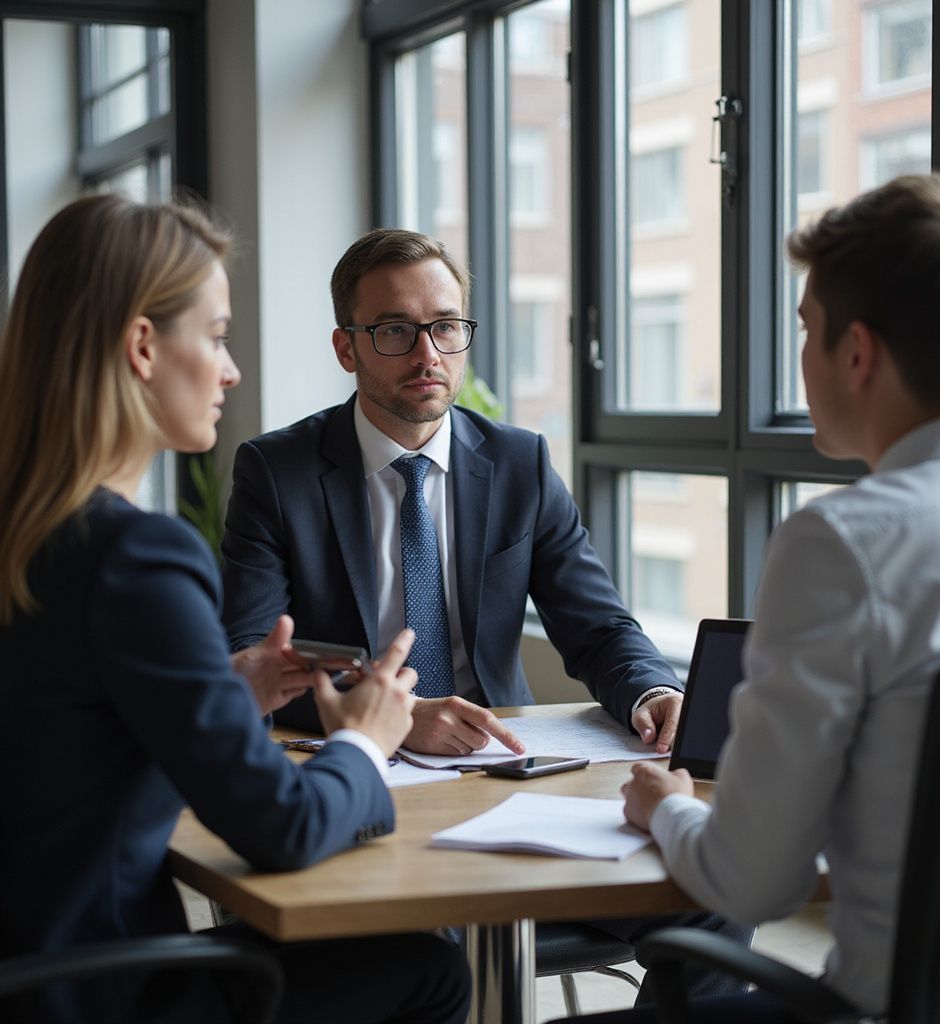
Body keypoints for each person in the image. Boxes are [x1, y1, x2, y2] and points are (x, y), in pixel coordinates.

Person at [219, 227, 751, 1000]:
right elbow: (248, 654)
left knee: (716, 902)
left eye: (446, 327)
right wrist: (396, 711)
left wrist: (651, 694)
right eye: (396, 331)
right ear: (348, 347)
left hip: (512, 779)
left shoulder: (520, 463)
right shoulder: (279, 471)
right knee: (415, 957)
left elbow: (598, 625)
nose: (427, 354)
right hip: (365, 788)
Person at [557, 173, 940, 1024]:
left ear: (858, 354)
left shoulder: (846, 543)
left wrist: (665, 811)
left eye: (806, 331)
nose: (799, 360)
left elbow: (752, 880)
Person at [0, 194, 470, 1024]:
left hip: (35, 971)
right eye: (215, 337)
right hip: (105, 992)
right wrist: (366, 739)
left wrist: (220, 685)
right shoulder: (135, 556)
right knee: (426, 971)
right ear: (143, 346)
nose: (231, 370)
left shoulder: (32, 535)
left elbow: (67, 716)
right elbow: (280, 828)